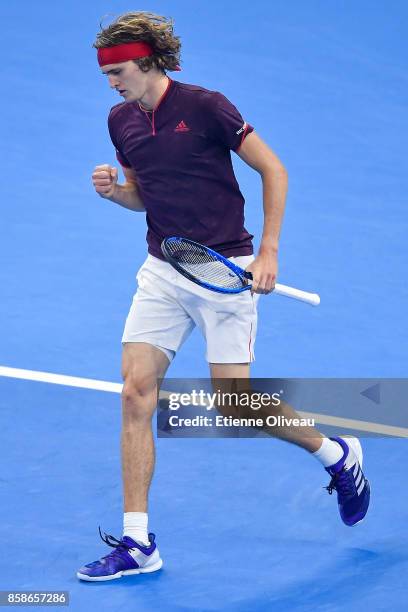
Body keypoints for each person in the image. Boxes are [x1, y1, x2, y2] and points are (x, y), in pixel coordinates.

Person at [77, 11, 370, 581]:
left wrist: (270, 252)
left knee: (234, 401)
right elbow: (146, 196)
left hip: (224, 269)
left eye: (119, 70)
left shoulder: (207, 106)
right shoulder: (121, 121)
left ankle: (338, 455)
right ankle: (138, 543)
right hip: (163, 269)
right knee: (136, 393)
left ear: (148, 62)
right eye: (106, 72)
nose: (112, 81)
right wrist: (118, 193)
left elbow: (273, 169)